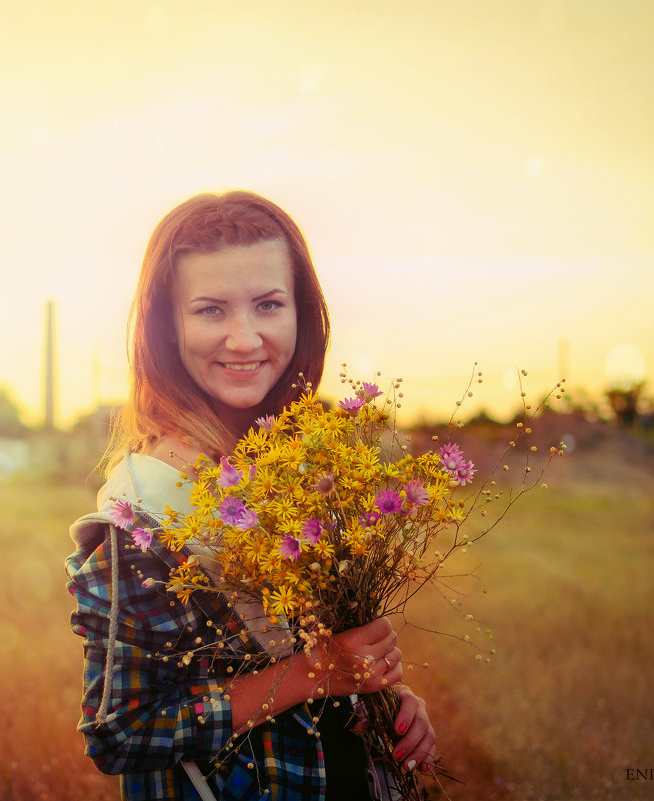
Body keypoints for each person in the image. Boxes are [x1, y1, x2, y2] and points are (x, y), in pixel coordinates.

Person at [66, 191, 437, 800]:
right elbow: (120, 733)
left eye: (269, 304)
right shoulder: (143, 509)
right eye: (210, 310)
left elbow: (327, 655)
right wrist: (313, 674)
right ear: (167, 327)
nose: (244, 339)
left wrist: (382, 702)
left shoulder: (303, 469)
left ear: (302, 313)